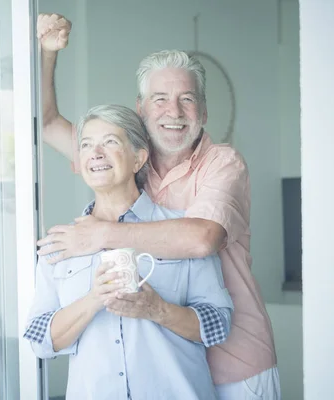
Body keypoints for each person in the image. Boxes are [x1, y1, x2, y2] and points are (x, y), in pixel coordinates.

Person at [34, 13, 281, 399]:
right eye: (160, 99)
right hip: (165, 365)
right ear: (141, 109)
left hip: (236, 360)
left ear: (203, 109)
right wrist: (48, 53)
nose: (174, 111)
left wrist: (99, 236)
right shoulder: (127, 161)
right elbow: (48, 124)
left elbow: (203, 238)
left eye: (187, 99)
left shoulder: (222, 162)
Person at [24, 104, 233, 400]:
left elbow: (218, 325)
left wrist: (157, 310)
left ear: (138, 158)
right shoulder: (59, 245)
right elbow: (40, 341)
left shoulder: (180, 231)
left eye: (110, 142)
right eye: (86, 145)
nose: (95, 153)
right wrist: (94, 299)